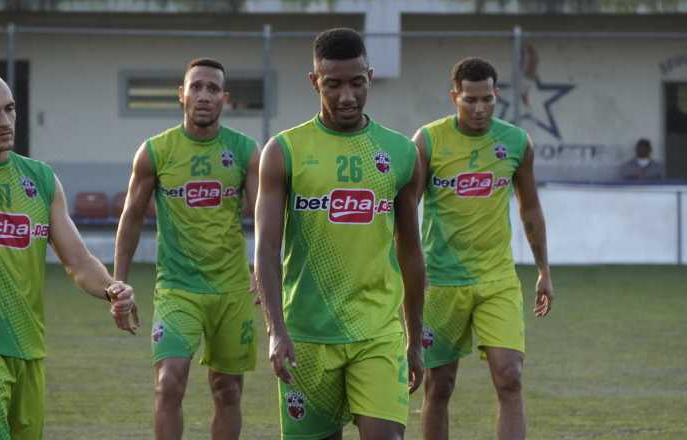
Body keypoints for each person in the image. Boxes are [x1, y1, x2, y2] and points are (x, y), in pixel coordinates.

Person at [255, 28, 425, 440]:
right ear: (315, 82)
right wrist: (276, 331)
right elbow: (266, 249)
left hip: (378, 330)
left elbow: (411, 253)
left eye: (357, 82)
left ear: (369, 76)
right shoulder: (284, 151)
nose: (347, 95)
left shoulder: (400, 152)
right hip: (308, 334)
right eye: (333, 84)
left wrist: (415, 337)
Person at [0, 65, 138, 440]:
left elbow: (78, 261)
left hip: (29, 350)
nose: (5, 120)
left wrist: (111, 289)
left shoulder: (40, 178)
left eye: (9, 109)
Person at [113, 58, 259, 440]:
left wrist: (263, 265)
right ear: (181, 95)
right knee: (169, 383)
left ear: (224, 99)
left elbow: (265, 218)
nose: (204, 95)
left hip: (231, 289)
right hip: (178, 287)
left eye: (213, 89)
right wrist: (119, 284)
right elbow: (130, 218)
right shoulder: (155, 152)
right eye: (196, 87)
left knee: (227, 389)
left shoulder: (245, 151)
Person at [413, 57, 554, 440]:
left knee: (510, 377)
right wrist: (406, 271)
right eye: (470, 100)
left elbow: (530, 207)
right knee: (439, 385)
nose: (479, 108)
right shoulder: (428, 141)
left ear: (496, 96)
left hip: (497, 278)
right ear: (454, 96)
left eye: (487, 99)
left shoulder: (516, 142)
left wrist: (543, 271)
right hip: (441, 282)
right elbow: (404, 209)